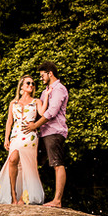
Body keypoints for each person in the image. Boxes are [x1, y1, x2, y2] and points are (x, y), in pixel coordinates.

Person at [0, 75, 45, 206]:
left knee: (27, 165)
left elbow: (43, 113)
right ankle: (13, 195)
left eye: (33, 84)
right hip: (16, 134)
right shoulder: (13, 103)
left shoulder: (37, 101)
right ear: (22, 86)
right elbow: (9, 121)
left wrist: (46, 97)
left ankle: (24, 198)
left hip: (30, 135)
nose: (31, 85)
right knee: (12, 160)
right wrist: (6, 138)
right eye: (28, 83)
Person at [24, 61, 68, 207]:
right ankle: (31, 197)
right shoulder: (45, 92)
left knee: (57, 163)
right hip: (42, 133)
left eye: (42, 75)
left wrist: (35, 125)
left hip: (54, 132)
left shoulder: (60, 89)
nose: (41, 78)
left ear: (50, 73)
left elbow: (51, 112)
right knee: (32, 163)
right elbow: (39, 111)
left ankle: (57, 200)